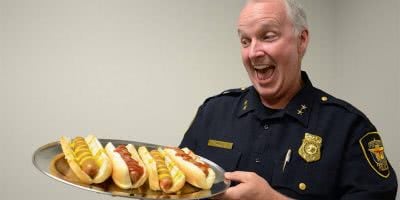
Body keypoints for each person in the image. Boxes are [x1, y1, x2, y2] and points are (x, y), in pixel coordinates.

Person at [179, 0, 398, 199]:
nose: (253, 52)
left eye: (267, 36)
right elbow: (177, 183)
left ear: (301, 41)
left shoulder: (348, 127)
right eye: (245, 41)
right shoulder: (213, 112)